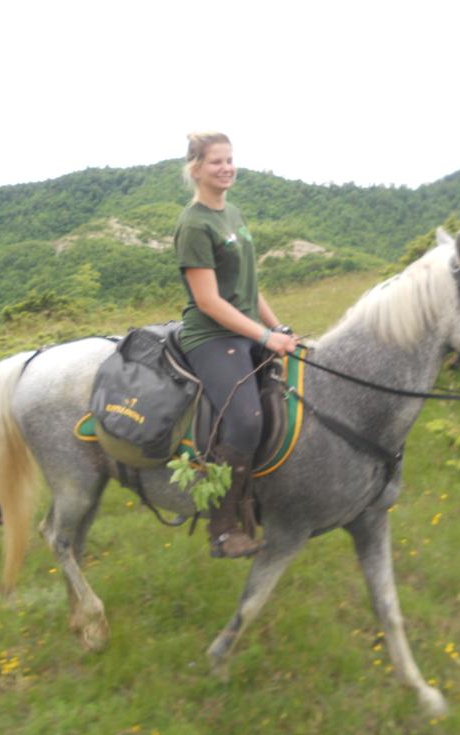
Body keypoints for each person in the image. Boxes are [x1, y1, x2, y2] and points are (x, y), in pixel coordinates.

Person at [174, 132, 297, 558]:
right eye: (216, 162)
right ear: (196, 169)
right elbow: (208, 301)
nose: (226, 168)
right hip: (212, 336)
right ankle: (223, 529)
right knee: (246, 420)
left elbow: (248, 285)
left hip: (245, 329)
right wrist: (263, 336)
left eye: (230, 160)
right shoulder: (194, 224)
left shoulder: (233, 213)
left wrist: (277, 326)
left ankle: (266, 495)